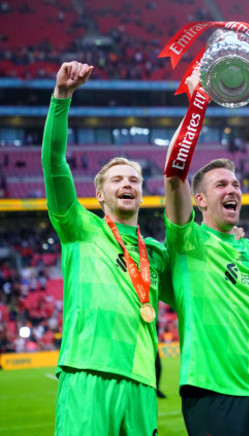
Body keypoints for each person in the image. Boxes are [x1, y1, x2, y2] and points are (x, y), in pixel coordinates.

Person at [163, 75, 249, 436]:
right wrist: (196, 109)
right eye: (221, 185)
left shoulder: (248, 247)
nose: (232, 190)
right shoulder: (187, 240)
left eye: (236, 184)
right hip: (212, 389)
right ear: (200, 200)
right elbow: (174, 176)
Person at [43, 61, 170, 435]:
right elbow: (53, 162)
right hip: (87, 372)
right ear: (100, 194)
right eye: (116, 179)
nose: (126, 183)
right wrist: (62, 97)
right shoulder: (79, 227)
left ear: (142, 195)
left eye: (134, 179)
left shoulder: (157, 254)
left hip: (142, 380)